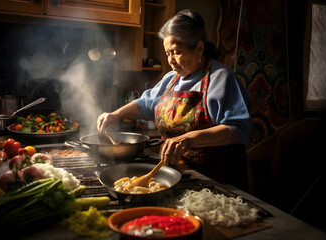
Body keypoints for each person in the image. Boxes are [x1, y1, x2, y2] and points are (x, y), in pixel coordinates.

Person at [97, 9, 252, 191]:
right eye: (168, 53)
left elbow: (238, 130)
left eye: (176, 52)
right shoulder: (171, 79)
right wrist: (116, 114)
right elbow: (146, 104)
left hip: (216, 181)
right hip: (175, 175)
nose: (171, 60)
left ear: (199, 49)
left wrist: (189, 139)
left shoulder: (221, 78)